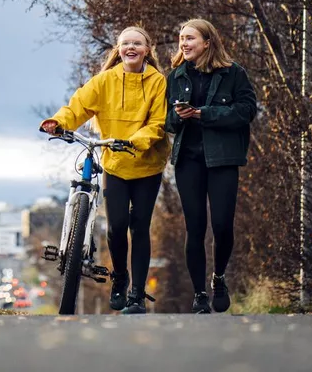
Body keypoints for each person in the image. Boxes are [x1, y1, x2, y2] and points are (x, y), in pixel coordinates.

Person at [40, 26, 169, 314]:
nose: (131, 48)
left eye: (137, 43)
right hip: (116, 165)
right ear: (119, 49)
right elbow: (79, 105)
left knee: (139, 228)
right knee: (116, 227)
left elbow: (158, 122)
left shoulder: (157, 82)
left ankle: (136, 294)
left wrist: (134, 142)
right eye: (126, 43)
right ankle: (120, 278)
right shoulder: (105, 80)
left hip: (147, 164)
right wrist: (59, 122)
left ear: (147, 49)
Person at [165, 19, 257, 314]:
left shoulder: (234, 73)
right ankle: (200, 294)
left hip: (223, 159)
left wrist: (204, 114)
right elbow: (167, 122)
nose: (184, 43)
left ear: (207, 42)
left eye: (190, 38)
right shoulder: (175, 76)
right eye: (181, 39)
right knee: (195, 228)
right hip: (188, 161)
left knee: (221, 225)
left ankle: (218, 278)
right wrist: (180, 116)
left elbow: (246, 111)